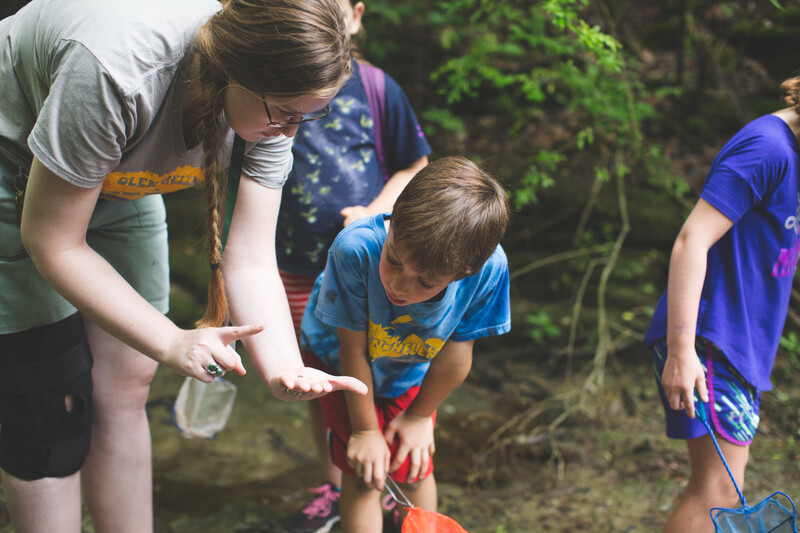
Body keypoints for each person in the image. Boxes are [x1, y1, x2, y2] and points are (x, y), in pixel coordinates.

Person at [0, 0, 368, 531]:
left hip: (121, 184)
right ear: (235, 74)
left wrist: (284, 366)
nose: (293, 132)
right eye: (286, 114)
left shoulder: (277, 106)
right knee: (51, 403)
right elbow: (54, 241)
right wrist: (173, 339)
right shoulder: (115, 70)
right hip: (17, 173)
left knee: (127, 384)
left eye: (310, 115)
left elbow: (250, 257)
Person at [278, 1, 431, 531]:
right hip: (291, 265)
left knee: (381, 366)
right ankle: (335, 478)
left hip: (373, 269)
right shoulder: (270, 83)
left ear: (357, 16)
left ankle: (386, 473)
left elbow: (415, 166)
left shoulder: (376, 88)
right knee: (314, 377)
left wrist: (374, 212)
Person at [297, 156, 511, 533]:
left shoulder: (489, 270)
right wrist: (365, 431)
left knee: (413, 465)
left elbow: (456, 355)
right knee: (366, 474)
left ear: (465, 273)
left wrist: (418, 416)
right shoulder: (356, 249)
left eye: (425, 282)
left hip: (409, 363)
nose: (399, 284)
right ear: (394, 220)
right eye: (394, 260)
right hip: (339, 362)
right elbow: (353, 350)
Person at [644, 77, 800, 532]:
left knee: (723, 488)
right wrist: (681, 350)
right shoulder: (766, 148)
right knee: (718, 493)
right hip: (709, 338)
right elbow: (691, 241)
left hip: (744, 344)